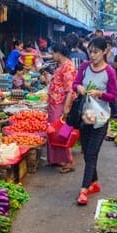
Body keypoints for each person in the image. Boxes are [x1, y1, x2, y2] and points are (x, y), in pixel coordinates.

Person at [72, 37, 117, 206]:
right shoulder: (84, 67)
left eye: (96, 52)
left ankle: (84, 189)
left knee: (92, 153)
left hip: (101, 116)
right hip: (86, 114)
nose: (92, 55)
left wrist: (99, 94)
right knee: (86, 151)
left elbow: (113, 96)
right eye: (90, 52)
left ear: (104, 51)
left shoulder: (110, 72)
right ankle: (95, 183)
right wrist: (79, 88)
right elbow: (74, 83)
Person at [47, 43, 77, 173]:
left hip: (61, 104)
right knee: (54, 132)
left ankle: (68, 161)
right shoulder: (63, 65)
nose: (52, 56)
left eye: (53, 53)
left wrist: (66, 109)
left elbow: (70, 90)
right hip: (56, 104)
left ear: (59, 53)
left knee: (62, 133)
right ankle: (57, 159)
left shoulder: (68, 66)